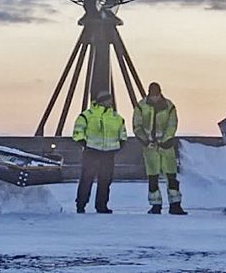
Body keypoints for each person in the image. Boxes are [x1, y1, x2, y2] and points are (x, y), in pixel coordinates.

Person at [133, 82, 187, 215]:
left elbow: (172, 124)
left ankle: (175, 205)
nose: (154, 98)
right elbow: (137, 125)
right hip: (150, 147)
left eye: (156, 95)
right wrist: (145, 140)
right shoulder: (141, 106)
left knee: (171, 176)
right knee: (153, 177)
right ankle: (155, 205)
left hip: (166, 146)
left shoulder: (169, 106)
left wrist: (166, 139)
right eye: (152, 95)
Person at [72, 90, 127, 214]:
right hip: (92, 152)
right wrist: (84, 143)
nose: (111, 102)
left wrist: (120, 143)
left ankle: (101, 206)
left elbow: (122, 132)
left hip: (108, 153)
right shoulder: (88, 115)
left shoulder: (116, 117)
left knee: (105, 180)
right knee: (87, 179)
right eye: (108, 99)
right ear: (102, 101)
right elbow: (78, 130)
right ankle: (81, 204)